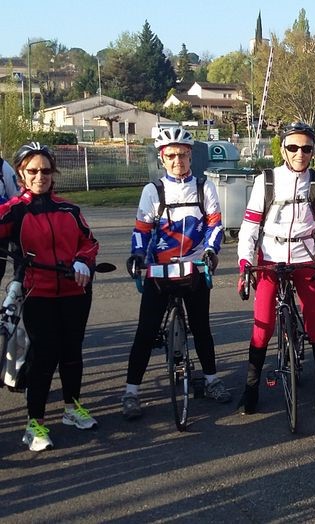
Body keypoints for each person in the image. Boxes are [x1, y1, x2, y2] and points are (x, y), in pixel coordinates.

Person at [121, 126, 230, 420]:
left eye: (182, 154)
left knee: (202, 328)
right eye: (170, 156)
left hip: (194, 267)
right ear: (162, 158)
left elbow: (215, 225)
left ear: (190, 155)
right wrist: (137, 255)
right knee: (145, 332)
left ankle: (211, 380)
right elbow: (142, 230)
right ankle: (131, 392)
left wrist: (211, 251)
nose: (177, 161)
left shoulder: (204, 186)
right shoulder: (153, 190)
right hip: (159, 269)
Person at [0, 142, 99, 452]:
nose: (40, 176)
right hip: (38, 293)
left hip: (75, 291)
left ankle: (72, 408)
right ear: (21, 174)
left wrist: (83, 261)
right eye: (32, 171)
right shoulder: (15, 210)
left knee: (72, 352)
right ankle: (35, 423)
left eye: (45, 170)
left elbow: (89, 242)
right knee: (43, 356)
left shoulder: (69, 209)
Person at [236, 122, 315, 415]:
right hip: (271, 258)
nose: (299, 153)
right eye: (293, 147)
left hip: (306, 259)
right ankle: (251, 388)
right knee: (263, 325)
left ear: (314, 151)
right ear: (282, 150)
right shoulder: (266, 181)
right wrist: (245, 263)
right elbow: (249, 227)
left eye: (306, 148)